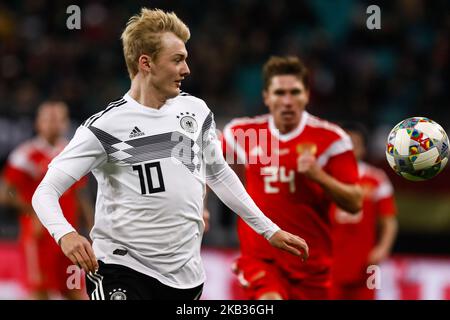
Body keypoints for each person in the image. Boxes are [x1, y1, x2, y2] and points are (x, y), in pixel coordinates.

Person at [31, 8, 309, 301]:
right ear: (146, 63)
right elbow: (45, 191)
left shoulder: (196, 111)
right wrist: (66, 234)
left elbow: (217, 173)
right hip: (121, 269)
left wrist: (268, 230)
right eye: (177, 60)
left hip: (185, 277)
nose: (186, 70)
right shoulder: (104, 127)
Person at [222, 56, 363, 300]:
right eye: (279, 93)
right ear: (266, 96)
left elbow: (354, 202)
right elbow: (206, 168)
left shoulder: (332, 139)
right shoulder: (241, 133)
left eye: (294, 92)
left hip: (311, 263)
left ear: (306, 95)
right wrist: (201, 206)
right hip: (262, 258)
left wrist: (319, 176)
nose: (287, 101)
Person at [0, 101, 94, 300]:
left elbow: (79, 194)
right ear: (38, 123)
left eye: (59, 119)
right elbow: (5, 194)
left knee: (76, 291)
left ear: (66, 123)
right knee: (39, 293)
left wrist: (92, 225)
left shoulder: (71, 152)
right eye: (48, 119)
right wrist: (33, 211)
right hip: (39, 238)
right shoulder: (25, 155)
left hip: (71, 236)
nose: (54, 124)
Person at [330, 122, 398, 300]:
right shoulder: (324, 177)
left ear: (364, 149)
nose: (349, 149)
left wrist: (382, 248)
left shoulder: (376, 179)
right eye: (345, 144)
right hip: (330, 261)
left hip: (366, 263)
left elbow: (389, 220)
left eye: (355, 144)